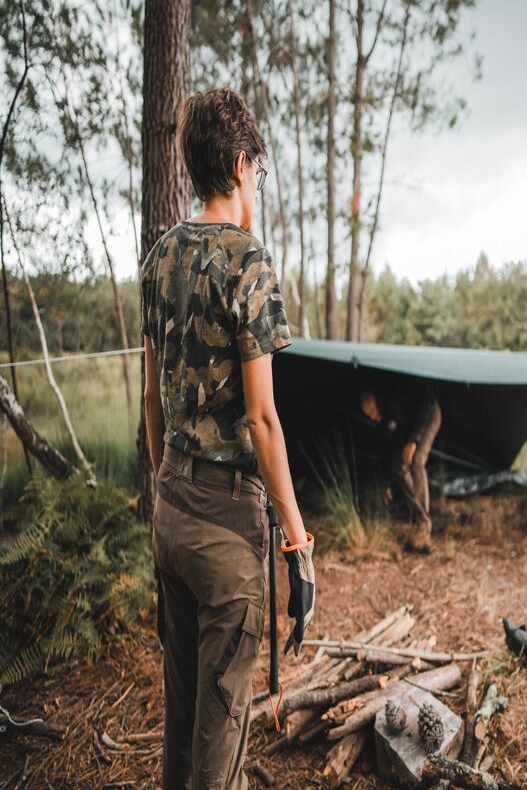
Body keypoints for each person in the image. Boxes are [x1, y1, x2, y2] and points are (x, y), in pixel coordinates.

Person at [140, 87, 315, 790]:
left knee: (182, 720)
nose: (258, 187)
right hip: (223, 534)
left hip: (171, 509)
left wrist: (162, 485)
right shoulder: (248, 262)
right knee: (221, 738)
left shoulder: (159, 256)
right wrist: (299, 543)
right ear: (242, 165)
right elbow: (263, 419)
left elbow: (153, 394)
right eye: (260, 173)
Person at [360, 385, 441, 553]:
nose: (371, 416)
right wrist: (387, 484)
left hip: (429, 416)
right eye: (367, 414)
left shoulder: (395, 401)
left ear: (376, 402)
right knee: (399, 466)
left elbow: (425, 409)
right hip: (410, 430)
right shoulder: (382, 423)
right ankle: (419, 514)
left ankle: (424, 525)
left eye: (371, 410)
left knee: (417, 461)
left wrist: (414, 441)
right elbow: (390, 454)